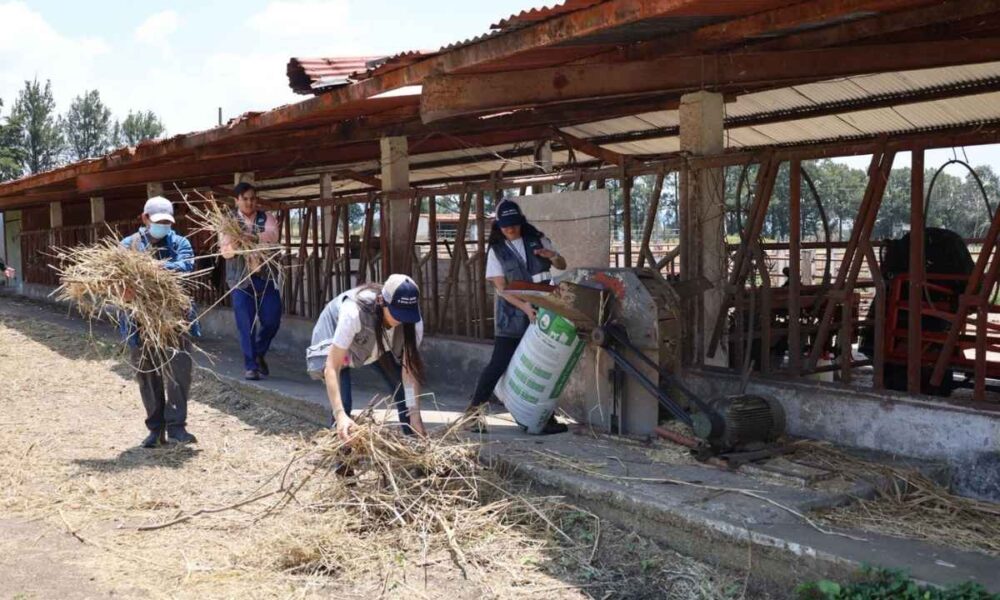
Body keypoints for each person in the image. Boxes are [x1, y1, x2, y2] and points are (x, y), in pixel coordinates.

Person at [466, 200, 569, 434]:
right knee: (498, 364)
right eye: (505, 226)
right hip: (512, 315)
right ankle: (472, 415)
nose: (510, 230)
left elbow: (562, 264)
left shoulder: (539, 240)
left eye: (514, 225)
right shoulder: (497, 250)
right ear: (499, 226)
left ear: (520, 222)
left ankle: (543, 419)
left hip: (544, 310)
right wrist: (525, 308)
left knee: (542, 363)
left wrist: (552, 255)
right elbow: (501, 289)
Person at [306, 274, 427, 441]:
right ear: (382, 301)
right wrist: (340, 414)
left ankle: (415, 447)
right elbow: (332, 366)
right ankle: (343, 458)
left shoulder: (414, 321)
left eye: (407, 315)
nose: (402, 320)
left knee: (404, 393)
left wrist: (414, 414)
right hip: (341, 347)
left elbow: (408, 372)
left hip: (377, 344)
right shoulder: (353, 313)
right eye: (397, 313)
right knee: (344, 401)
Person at [120, 196, 199, 448]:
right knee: (147, 374)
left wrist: (148, 271)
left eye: (167, 222)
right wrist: (124, 289)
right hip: (139, 321)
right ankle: (156, 429)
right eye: (158, 222)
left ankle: (177, 427)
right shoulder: (128, 246)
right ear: (145, 219)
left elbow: (185, 267)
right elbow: (119, 280)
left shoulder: (180, 243)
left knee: (179, 372)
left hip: (174, 318)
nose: (164, 227)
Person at [220, 182, 282, 380]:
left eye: (252, 198)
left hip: (265, 276)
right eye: (245, 199)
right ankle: (251, 366)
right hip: (240, 279)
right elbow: (226, 252)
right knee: (245, 325)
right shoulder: (227, 221)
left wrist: (251, 237)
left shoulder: (267, 217)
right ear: (236, 200)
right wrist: (237, 242)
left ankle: (258, 353)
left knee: (272, 319)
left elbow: (272, 237)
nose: (249, 202)